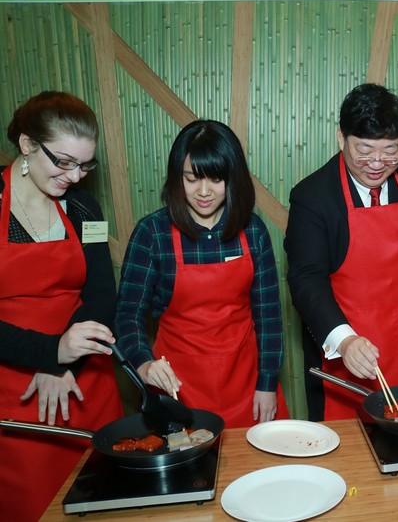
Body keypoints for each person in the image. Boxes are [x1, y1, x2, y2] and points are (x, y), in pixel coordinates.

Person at [285, 83, 398, 421]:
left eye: (391, 150)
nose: (378, 163)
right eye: (364, 149)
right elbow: (306, 280)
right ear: (341, 139)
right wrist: (345, 342)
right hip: (350, 348)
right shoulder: (313, 196)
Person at [115, 119, 289, 427]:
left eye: (216, 180)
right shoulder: (152, 233)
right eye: (192, 179)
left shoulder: (253, 231)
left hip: (248, 384)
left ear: (233, 179)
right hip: (178, 388)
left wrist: (267, 384)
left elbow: (269, 318)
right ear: (176, 178)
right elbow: (128, 315)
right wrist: (143, 363)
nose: (204, 192)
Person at [0, 91, 123, 521]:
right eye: (64, 162)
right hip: (15, 391)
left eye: (85, 165)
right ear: (28, 143)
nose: (74, 176)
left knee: (105, 502)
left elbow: (103, 294)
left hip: (85, 378)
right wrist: (51, 354)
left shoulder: (85, 206)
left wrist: (67, 363)